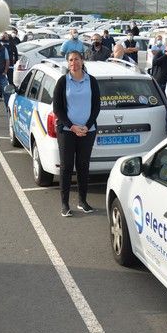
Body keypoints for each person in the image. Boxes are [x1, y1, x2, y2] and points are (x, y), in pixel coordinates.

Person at [52, 51, 100, 217]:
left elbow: (96, 106)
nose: (74, 63)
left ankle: (82, 201)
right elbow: (57, 108)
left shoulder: (91, 81)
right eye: (71, 60)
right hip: (67, 131)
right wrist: (72, 126)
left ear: (82, 60)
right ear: (68, 63)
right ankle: (65, 204)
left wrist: (86, 126)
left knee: (83, 167)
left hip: (88, 131)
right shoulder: (63, 81)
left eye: (77, 59)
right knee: (66, 167)